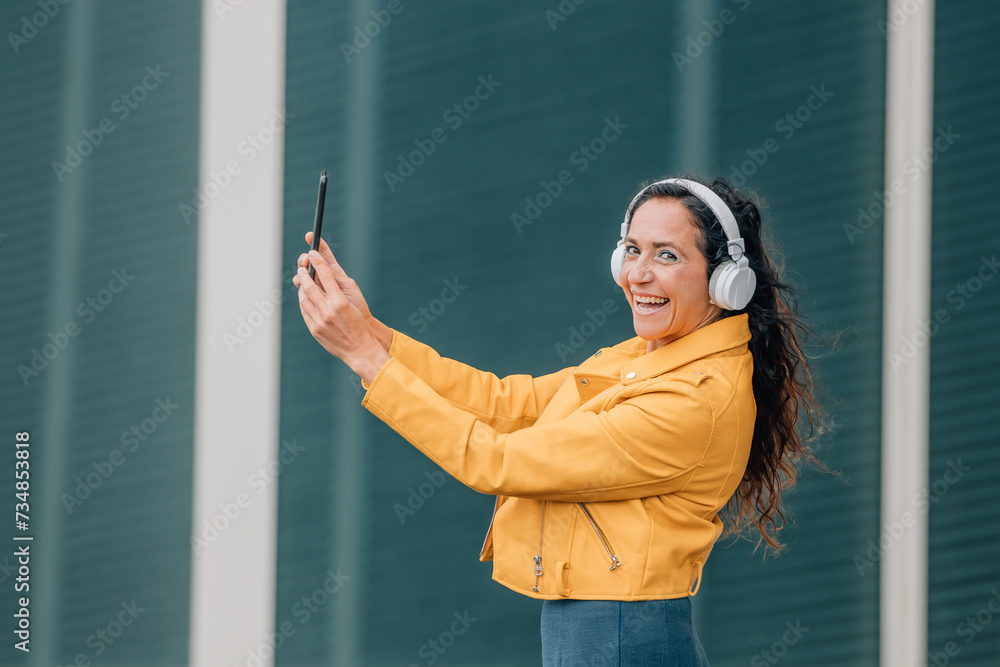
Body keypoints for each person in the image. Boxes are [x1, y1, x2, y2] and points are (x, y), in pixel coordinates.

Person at [292, 176, 826, 666]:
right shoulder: (651, 354)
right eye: (632, 250)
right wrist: (372, 333)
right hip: (601, 628)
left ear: (725, 280)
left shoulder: (692, 398)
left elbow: (497, 461)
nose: (638, 274)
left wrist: (368, 361)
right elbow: (507, 404)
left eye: (667, 255)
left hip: (621, 636)